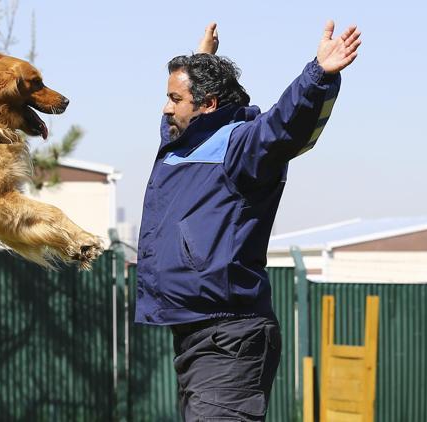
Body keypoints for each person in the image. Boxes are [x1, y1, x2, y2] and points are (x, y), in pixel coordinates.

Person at [135, 21, 361, 421]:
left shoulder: (241, 144)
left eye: (174, 98)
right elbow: (179, 122)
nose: (165, 108)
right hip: (196, 337)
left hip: (230, 337)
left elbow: (284, 126)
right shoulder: (180, 146)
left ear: (207, 105)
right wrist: (203, 60)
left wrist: (318, 75)